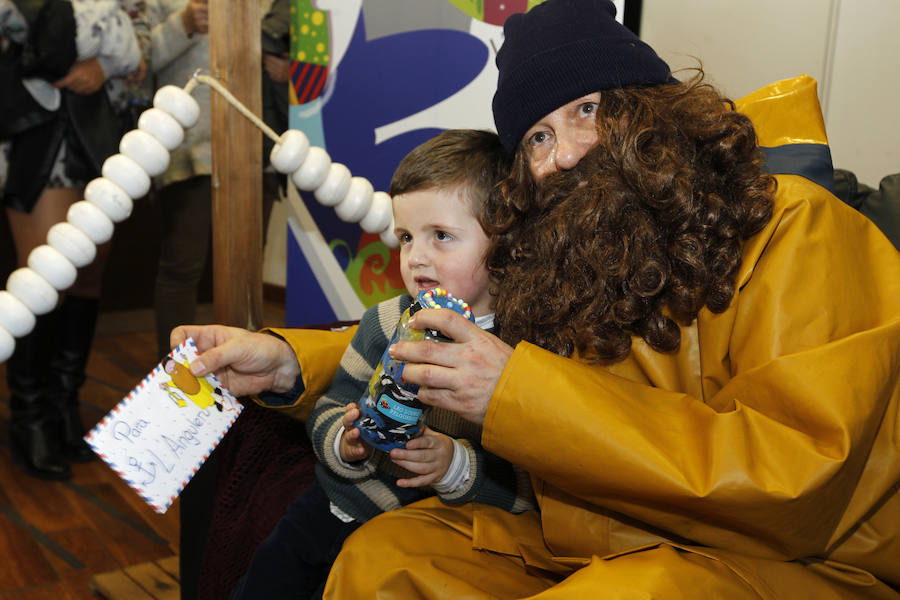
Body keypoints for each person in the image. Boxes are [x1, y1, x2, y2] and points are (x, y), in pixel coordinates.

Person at [175, 0, 900, 597]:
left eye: (588, 108)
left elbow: (796, 484)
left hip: (803, 560)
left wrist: (519, 394)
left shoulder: (800, 226)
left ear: (655, 108)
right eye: (538, 138)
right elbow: (461, 330)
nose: (567, 154)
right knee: (386, 560)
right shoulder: (579, 248)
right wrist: (287, 363)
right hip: (602, 531)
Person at [228, 129, 533, 599]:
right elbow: (330, 409)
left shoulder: (523, 351)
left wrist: (454, 464)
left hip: (433, 534)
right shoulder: (386, 320)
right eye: (407, 237)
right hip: (334, 509)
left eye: (442, 236)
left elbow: (530, 487)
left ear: (507, 240)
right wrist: (346, 442)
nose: (417, 257)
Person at [2, 0, 147, 480]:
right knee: (45, 280)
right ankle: (31, 419)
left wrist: (104, 62)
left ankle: (65, 406)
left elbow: (137, 44)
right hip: (34, 131)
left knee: (87, 276)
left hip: (95, 125)